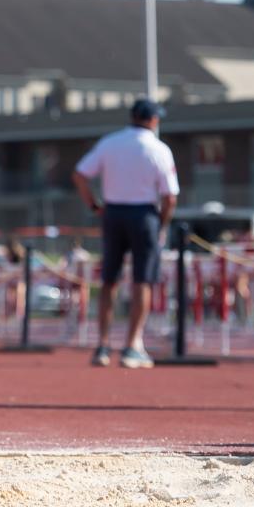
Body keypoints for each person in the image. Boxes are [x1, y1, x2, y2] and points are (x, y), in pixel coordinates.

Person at [73, 98, 179, 369]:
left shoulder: (110, 143)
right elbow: (170, 196)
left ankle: (103, 344)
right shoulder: (158, 148)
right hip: (143, 214)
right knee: (142, 280)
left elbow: (80, 175)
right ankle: (132, 345)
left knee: (109, 280)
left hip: (113, 212)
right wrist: (162, 224)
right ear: (153, 120)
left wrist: (94, 205)